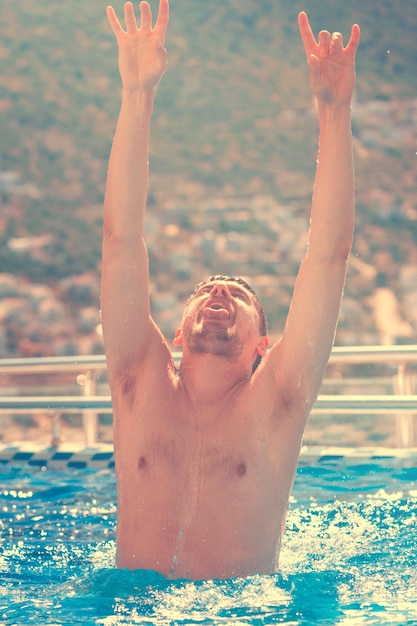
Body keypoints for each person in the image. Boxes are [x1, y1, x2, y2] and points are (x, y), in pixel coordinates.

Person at [101, 0, 360, 580]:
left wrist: (335, 114)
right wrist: (136, 94)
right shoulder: (137, 381)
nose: (219, 294)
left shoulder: (279, 403)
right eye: (206, 289)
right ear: (175, 330)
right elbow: (121, 239)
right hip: (121, 611)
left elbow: (328, 256)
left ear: (263, 344)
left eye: (238, 296)